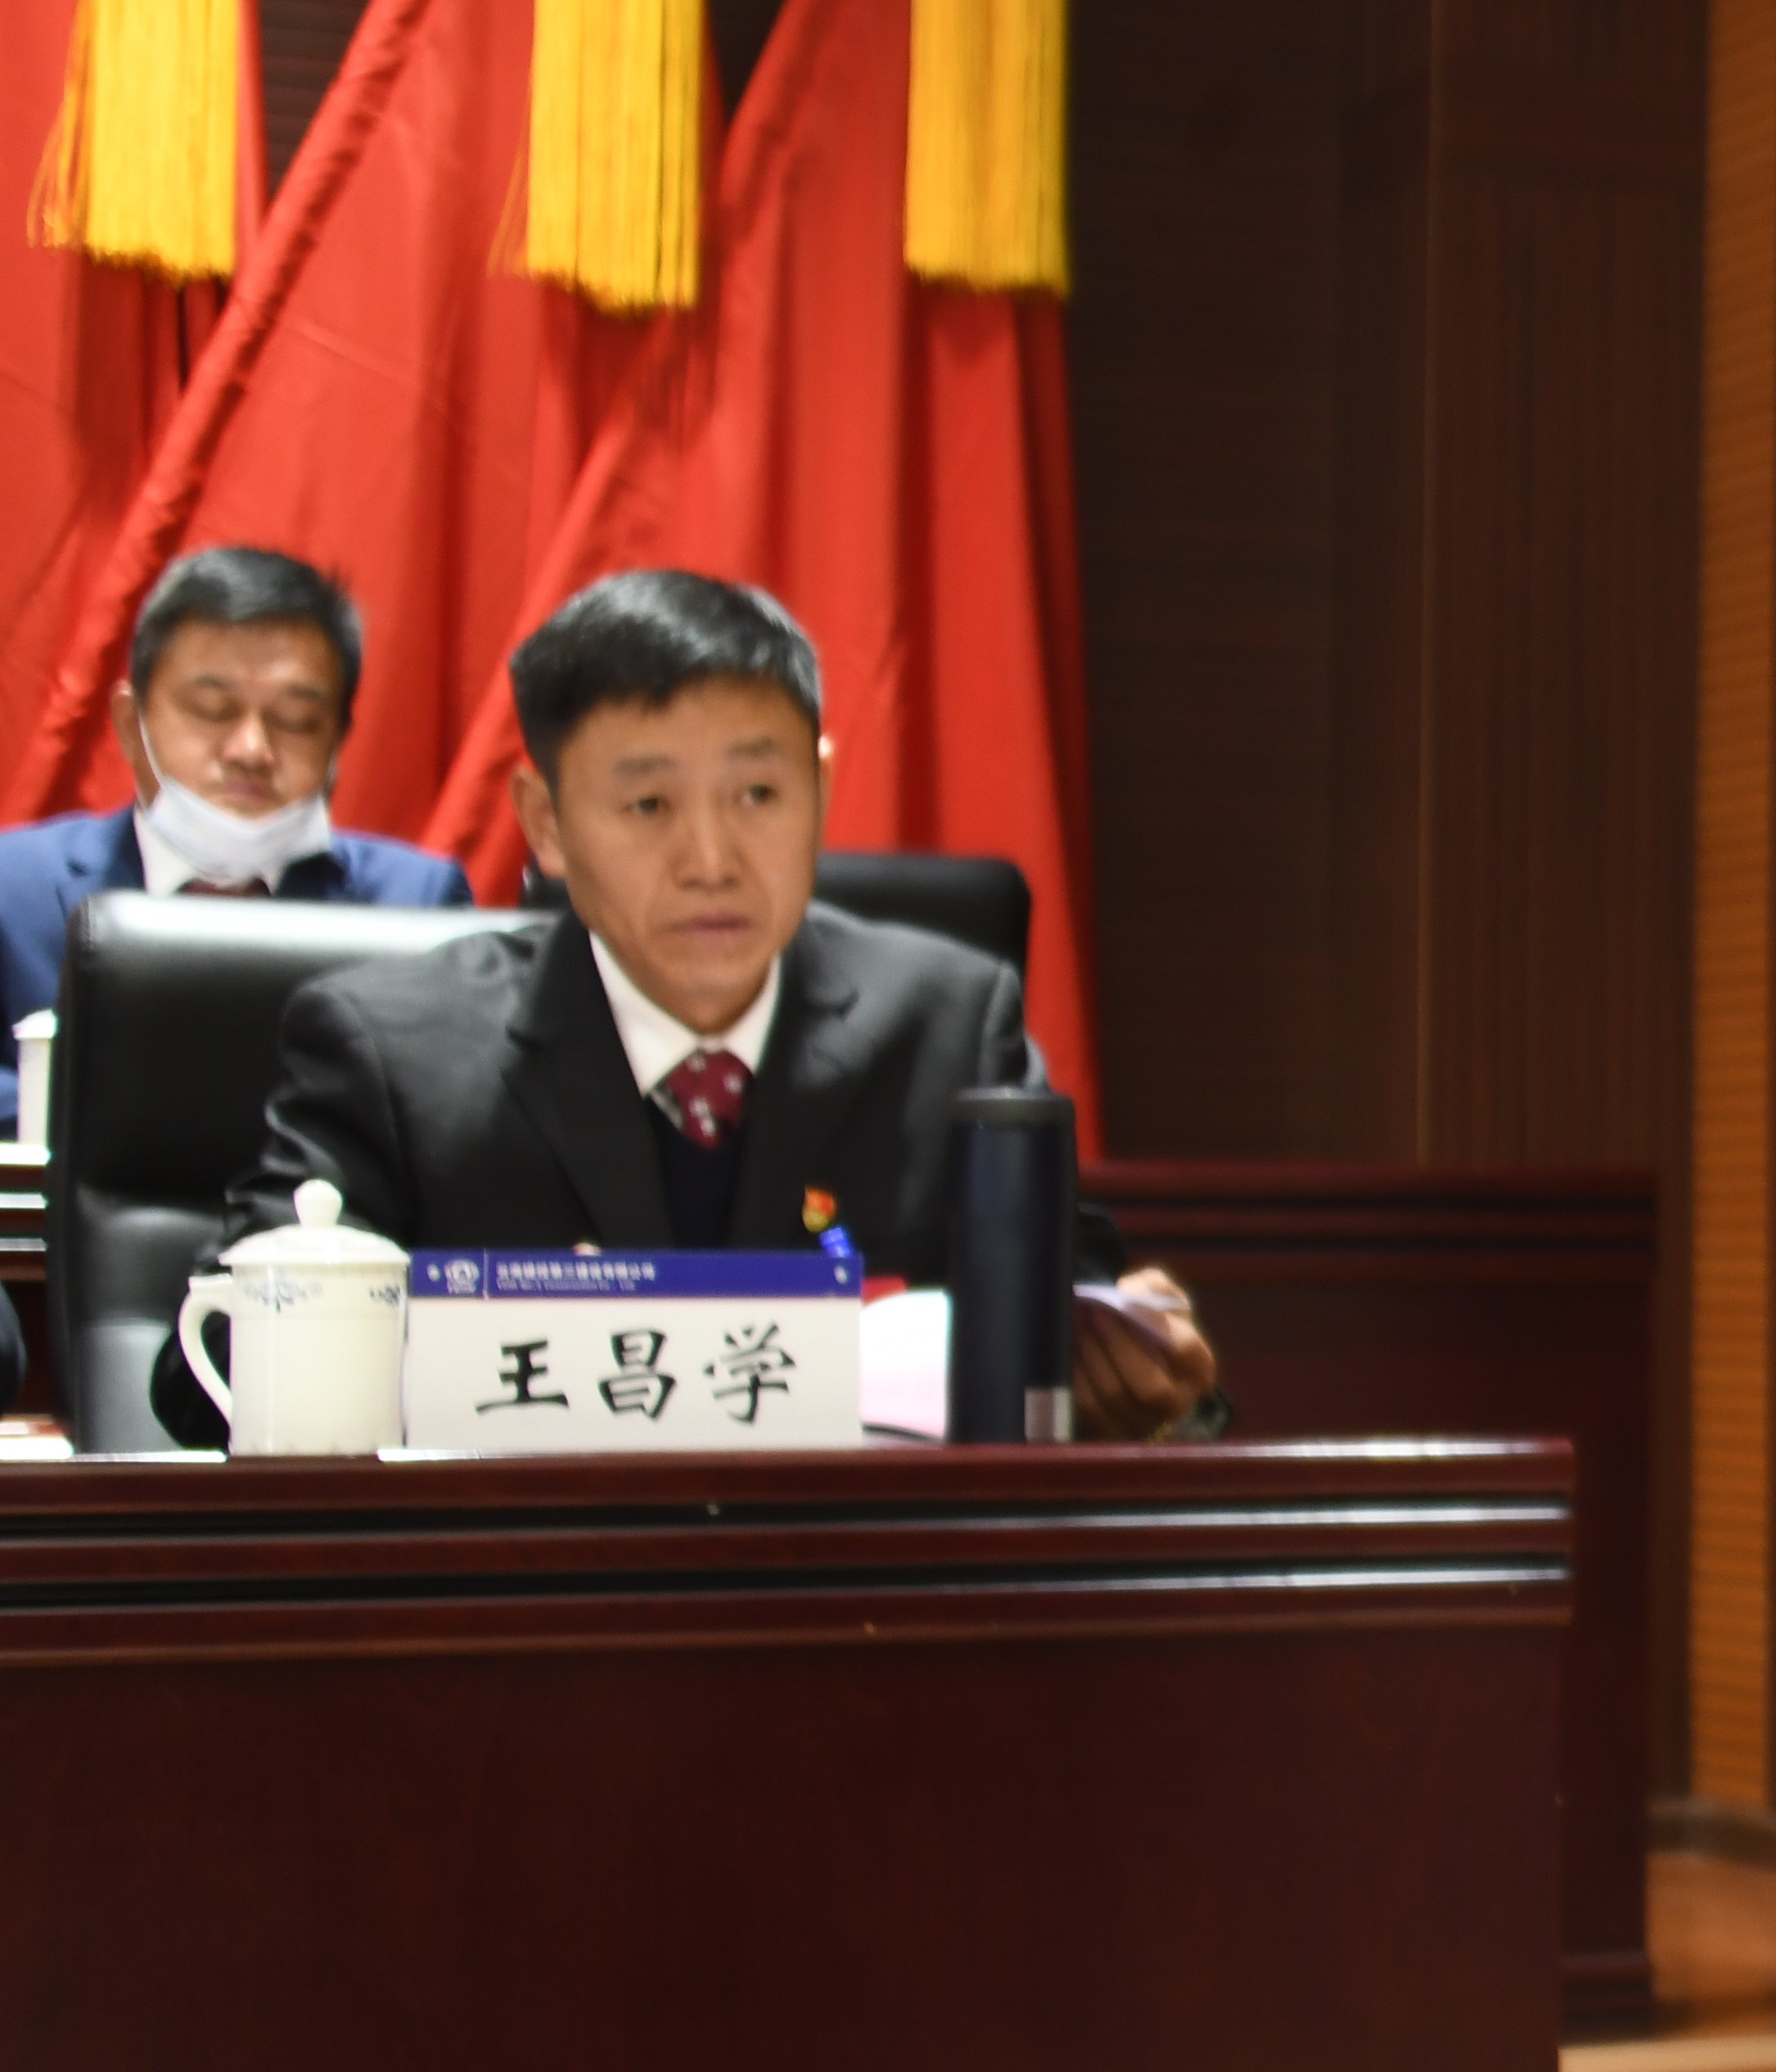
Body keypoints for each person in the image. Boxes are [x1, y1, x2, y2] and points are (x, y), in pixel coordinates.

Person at [197, 569, 1215, 1438]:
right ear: (546, 824)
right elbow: (205, 1379)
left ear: (820, 791)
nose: (712, 861)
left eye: (759, 795)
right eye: (649, 805)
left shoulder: (951, 1027)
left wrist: (1144, 1378)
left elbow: (1085, 1347)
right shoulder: (391, 1051)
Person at [0, 545, 473, 1046]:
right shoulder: (14, 889)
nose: (251, 750)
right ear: (130, 726)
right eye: (212, 709)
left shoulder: (416, 903)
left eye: (295, 720)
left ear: (337, 739)